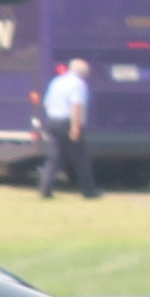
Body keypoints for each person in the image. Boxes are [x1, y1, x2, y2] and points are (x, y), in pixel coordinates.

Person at [39, 50, 98, 200]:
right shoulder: (79, 85)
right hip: (68, 122)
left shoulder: (57, 81)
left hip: (52, 121)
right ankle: (89, 191)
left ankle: (45, 189)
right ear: (84, 73)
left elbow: (46, 103)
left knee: (54, 157)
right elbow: (76, 106)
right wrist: (75, 127)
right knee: (80, 158)